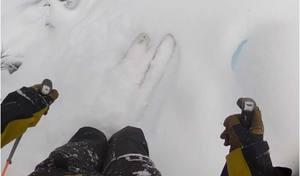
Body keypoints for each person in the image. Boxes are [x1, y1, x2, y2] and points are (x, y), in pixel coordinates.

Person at [1, 85, 293, 176]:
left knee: (90, 136)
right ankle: (116, 140)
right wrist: (251, 160)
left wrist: (6, 118)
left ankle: (100, 138)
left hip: (59, 171)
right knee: (129, 138)